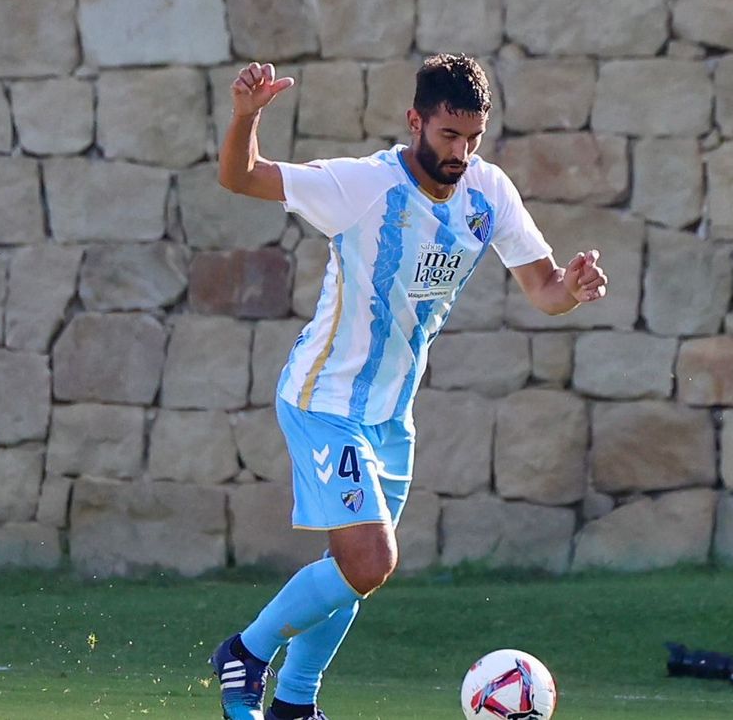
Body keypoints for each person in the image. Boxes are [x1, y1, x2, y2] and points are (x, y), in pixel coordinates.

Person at [209, 56, 609, 720]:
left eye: (473, 138)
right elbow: (240, 176)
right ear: (416, 121)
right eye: (449, 136)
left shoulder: (489, 192)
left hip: (391, 416)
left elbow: (543, 289)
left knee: (351, 574)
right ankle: (245, 653)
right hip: (324, 400)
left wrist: (569, 287)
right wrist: (246, 118)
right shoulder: (363, 186)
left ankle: (295, 705)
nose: (461, 152)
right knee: (369, 559)